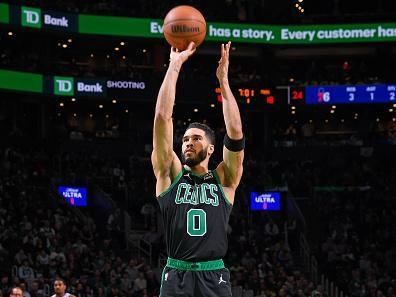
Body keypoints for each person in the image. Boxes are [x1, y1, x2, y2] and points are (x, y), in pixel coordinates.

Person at [152, 41, 244, 296]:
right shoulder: (170, 174)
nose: (188, 142)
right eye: (185, 139)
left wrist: (224, 83)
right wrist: (174, 65)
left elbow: (235, 133)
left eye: (196, 138)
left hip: (213, 275)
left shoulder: (224, 178)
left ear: (211, 149)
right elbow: (162, 118)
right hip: (176, 273)